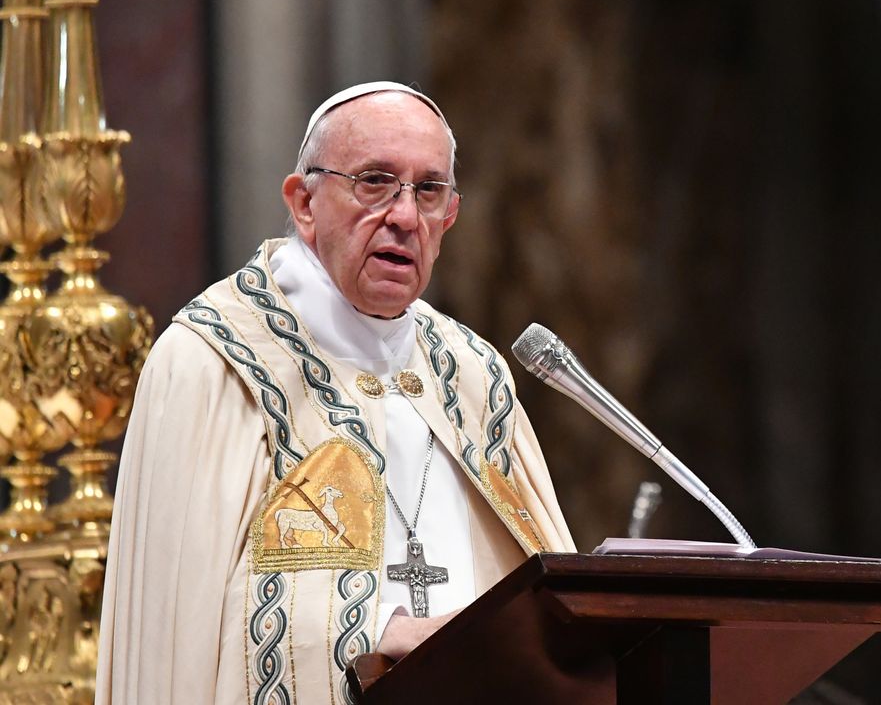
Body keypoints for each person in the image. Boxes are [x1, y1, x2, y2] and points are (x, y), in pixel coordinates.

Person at [95, 82, 574, 704]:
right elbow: (182, 637)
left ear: (449, 215)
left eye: (429, 191)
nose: (404, 216)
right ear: (304, 202)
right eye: (374, 181)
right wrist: (381, 629)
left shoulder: (472, 375)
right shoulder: (213, 360)